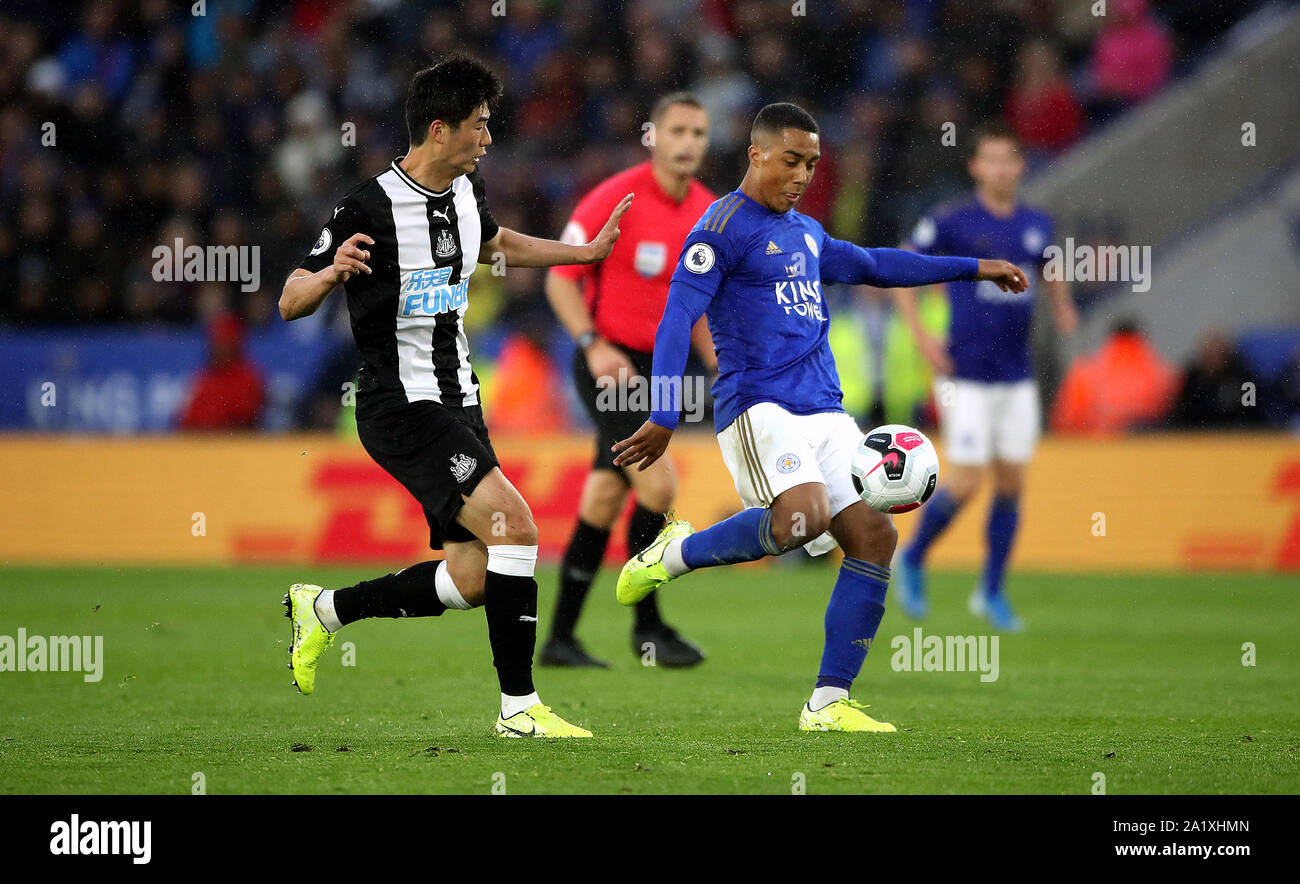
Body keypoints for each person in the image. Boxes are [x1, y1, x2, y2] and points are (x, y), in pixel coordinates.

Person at [610, 103, 1028, 732]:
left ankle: (828, 705)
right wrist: (665, 410)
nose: (803, 174)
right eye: (791, 160)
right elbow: (675, 320)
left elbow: (877, 265)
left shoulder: (806, 233)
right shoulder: (720, 229)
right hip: (757, 404)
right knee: (800, 519)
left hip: (826, 411)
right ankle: (673, 554)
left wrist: (973, 268)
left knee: (876, 537)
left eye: (811, 163)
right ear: (756, 154)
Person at [277, 55, 633, 738]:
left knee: (472, 578)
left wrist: (583, 254)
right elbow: (290, 298)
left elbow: (501, 245)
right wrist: (329, 276)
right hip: (399, 406)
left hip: (460, 399)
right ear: (439, 130)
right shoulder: (367, 206)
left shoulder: (468, 193)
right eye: (479, 125)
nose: (488, 138)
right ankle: (519, 710)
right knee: (518, 527)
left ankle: (322, 611)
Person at [541, 92, 716, 669]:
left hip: (662, 372)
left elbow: (703, 309)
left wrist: (727, 367)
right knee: (658, 489)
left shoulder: (711, 213)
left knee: (603, 497)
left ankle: (561, 640)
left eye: (698, 133)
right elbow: (561, 279)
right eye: (679, 130)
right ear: (653, 136)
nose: (689, 142)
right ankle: (650, 629)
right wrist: (592, 345)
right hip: (610, 366)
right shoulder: (614, 196)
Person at [890, 123, 1078, 632]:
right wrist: (922, 337)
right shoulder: (952, 221)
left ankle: (991, 591)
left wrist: (1061, 305)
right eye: (990, 160)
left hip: (1017, 375)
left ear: (1021, 166)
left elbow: (1048, 265)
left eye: (1009, 160)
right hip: (967, 373)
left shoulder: (1036, 222)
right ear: (974, 167)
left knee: (1013, 482)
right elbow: (904, 267)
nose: (1000, 169)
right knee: (968, 480)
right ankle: (913, 557)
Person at [1050, 317, 1178, 434]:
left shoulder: (1085, 372)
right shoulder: (1163, 374)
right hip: (1150, 452)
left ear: (1110, 338)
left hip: (1094, 450)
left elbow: (1064, 423)